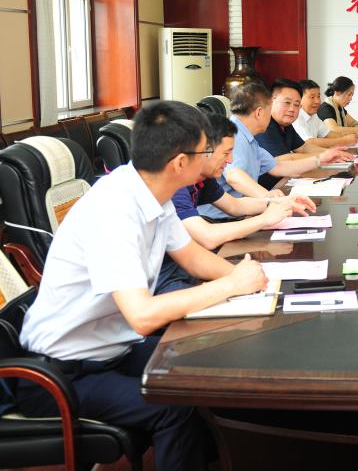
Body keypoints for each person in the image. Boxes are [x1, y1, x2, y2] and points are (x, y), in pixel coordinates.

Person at [17, 101, 270, 471]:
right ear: (180, 163)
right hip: (61, 375)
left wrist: (258, 283)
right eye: (206, 151)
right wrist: (231, 286)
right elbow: (142, 316)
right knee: (174, 407)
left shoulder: (151, 191)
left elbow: (193, 257)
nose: (215, 158)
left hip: (110, 350)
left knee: (208, 361)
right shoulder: (115, 210)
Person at [154, 113, 316, 294]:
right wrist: (264, 219)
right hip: (167, 275)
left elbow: (233, 206)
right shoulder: (173, 184)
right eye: (226, 153)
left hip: (184, 264)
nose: (230, 160)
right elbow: (207, 237)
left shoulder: (201, 177)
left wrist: (277, 202)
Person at [198, 82, 349, 219]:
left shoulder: (248, 137)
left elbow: (277, 167)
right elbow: (234, 176)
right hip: (219, 221)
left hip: (241, 212)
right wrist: (269, 197)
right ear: (259, 112)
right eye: (269, 110)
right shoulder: (234, 134)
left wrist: (320, 160)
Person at [256, 79, 355, 162]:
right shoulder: (265, 125)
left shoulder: (286, 124)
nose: (292, 109)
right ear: (270, 101)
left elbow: (303, 147)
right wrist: (324, 156)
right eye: (287, 102)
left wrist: (332, 153)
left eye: (296, 104)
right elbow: (284, 160)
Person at [294, 78, 358, 148]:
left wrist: (349, 138)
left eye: (318, 96)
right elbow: (310, 142)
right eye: (312, 97)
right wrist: (343, 140)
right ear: (299, 99)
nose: (317, 101)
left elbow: (328, 134)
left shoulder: (314, 116)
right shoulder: (296, 117)